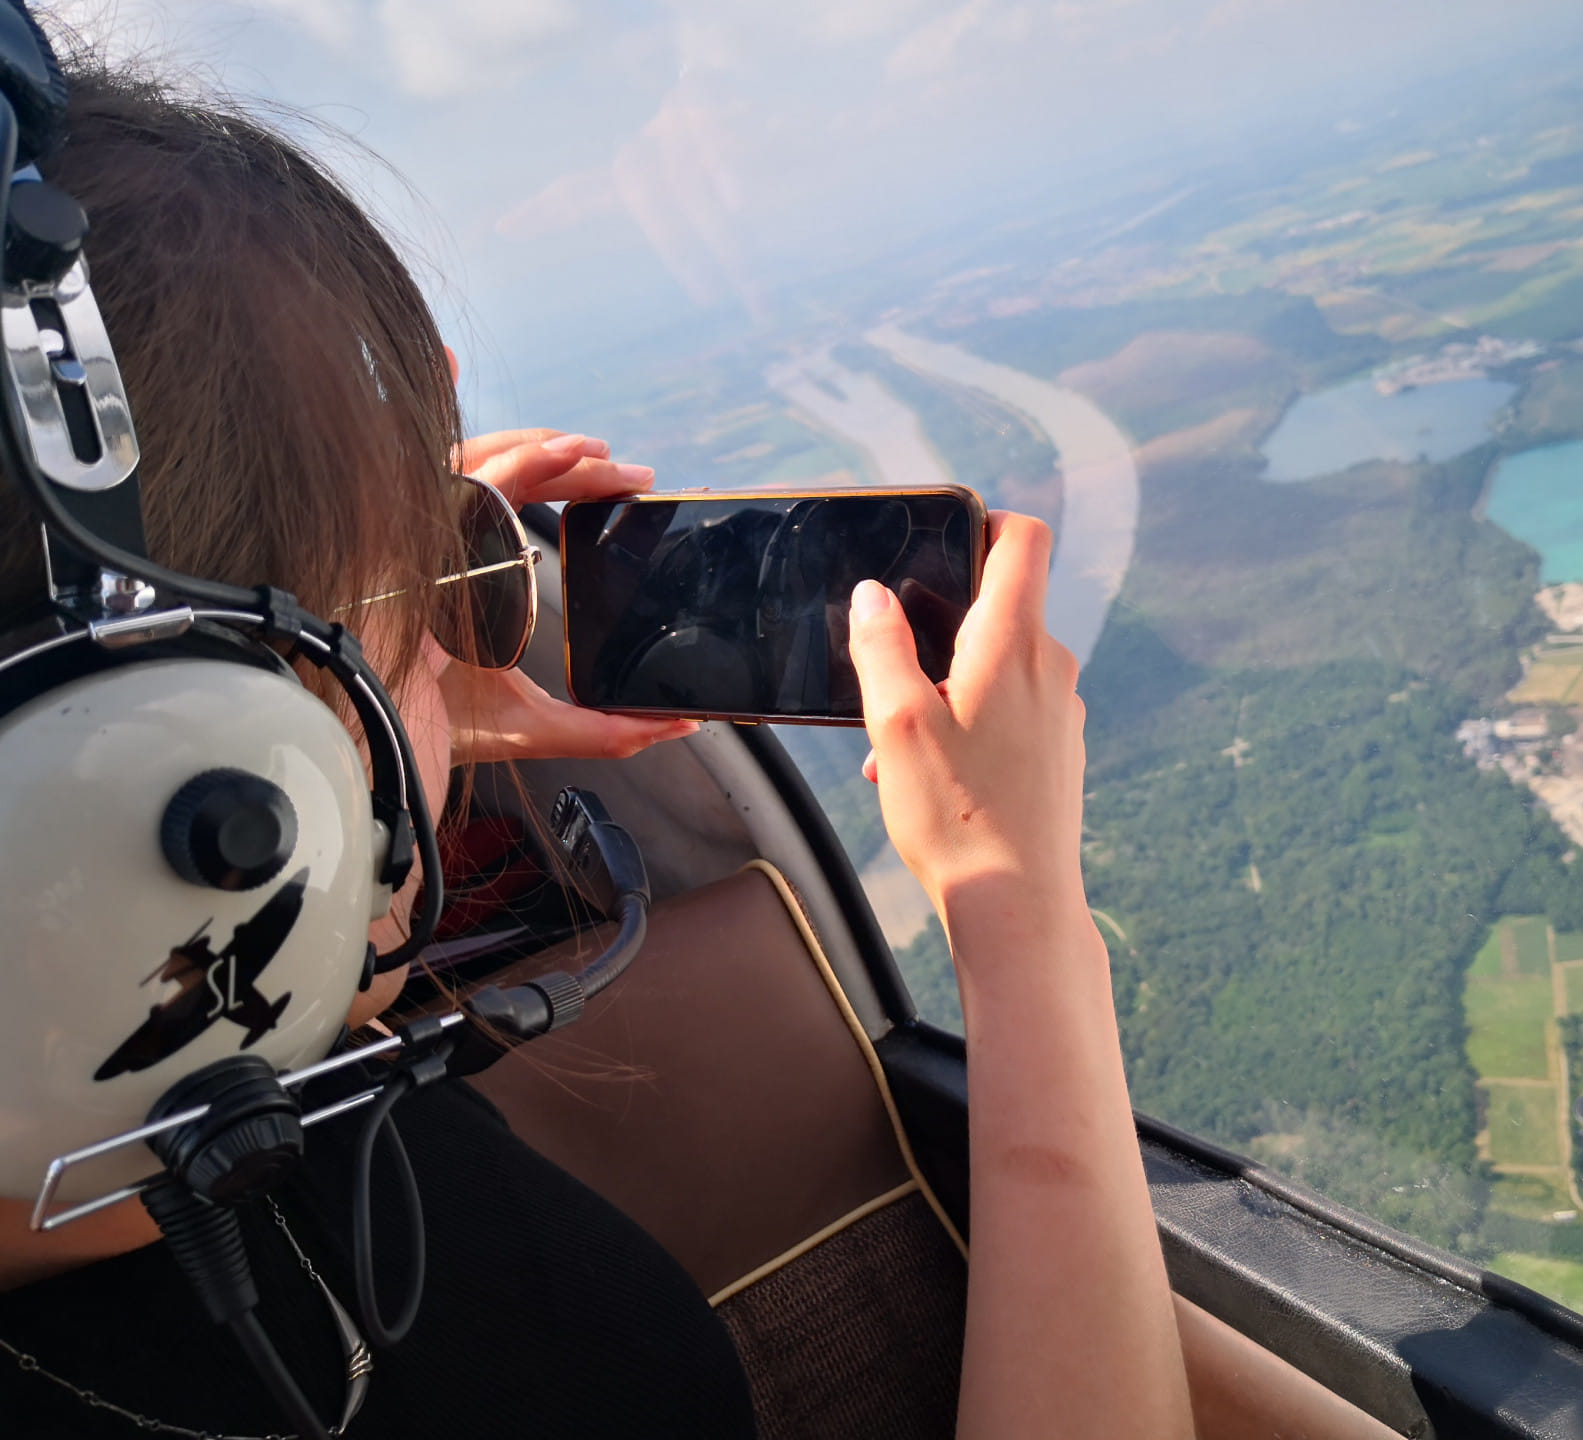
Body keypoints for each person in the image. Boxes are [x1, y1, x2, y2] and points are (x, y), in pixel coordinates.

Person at [0, 48, 1195, 1440]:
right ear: (170, 810)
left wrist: (383, 665)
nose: (444, 665)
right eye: (385, 643)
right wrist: (1024, 918)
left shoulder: (217, 1126)